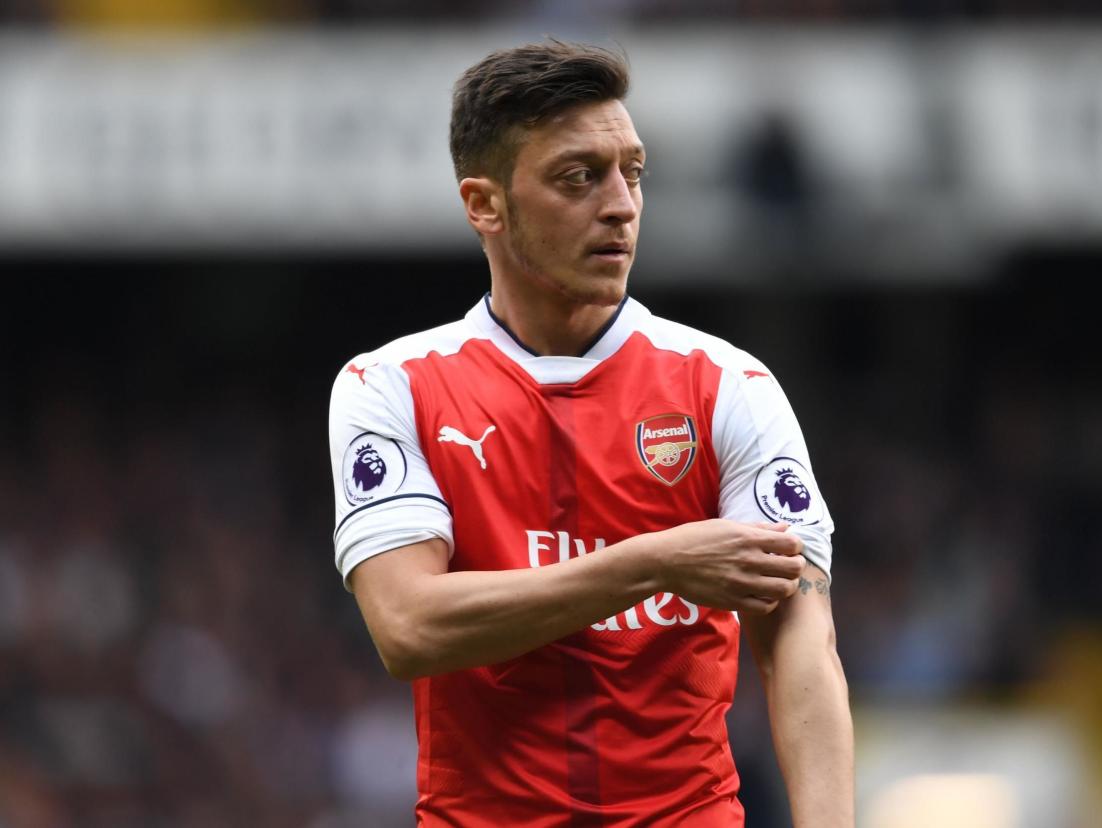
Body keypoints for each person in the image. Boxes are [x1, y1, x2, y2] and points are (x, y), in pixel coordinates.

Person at [328, 41, 853, 827]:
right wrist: (655, 560)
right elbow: (409, 627)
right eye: (579, 177)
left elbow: (801, 645)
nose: (622, 205)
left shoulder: (728, 386)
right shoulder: (392, 386)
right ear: (485, 204)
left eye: (632, 172)